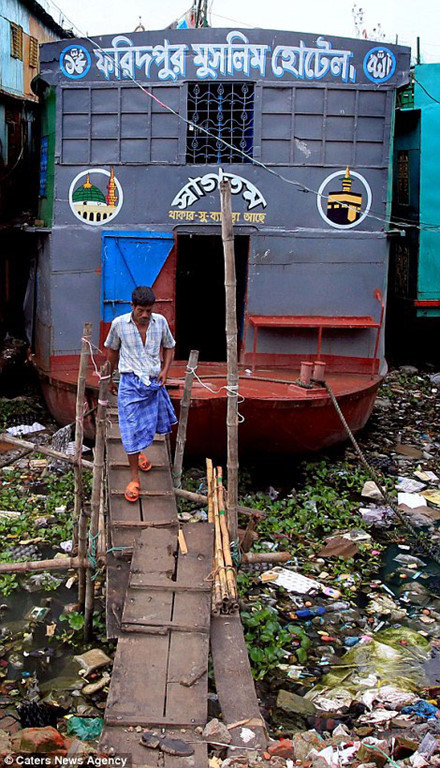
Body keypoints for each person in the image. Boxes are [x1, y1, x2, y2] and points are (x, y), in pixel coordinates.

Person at [104, 285, 177, 502]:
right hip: (129, 382)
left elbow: (169, 346)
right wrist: (109, 378)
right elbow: (112, 351)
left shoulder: (160, 322)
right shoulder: (119, 325)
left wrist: (165, 370)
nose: (145, 315)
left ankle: (137, 454)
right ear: (132, 306)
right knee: (129, 430)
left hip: (153, 383)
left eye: (148, 310)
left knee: (149, 426)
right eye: (140, 310)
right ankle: (134, 478)